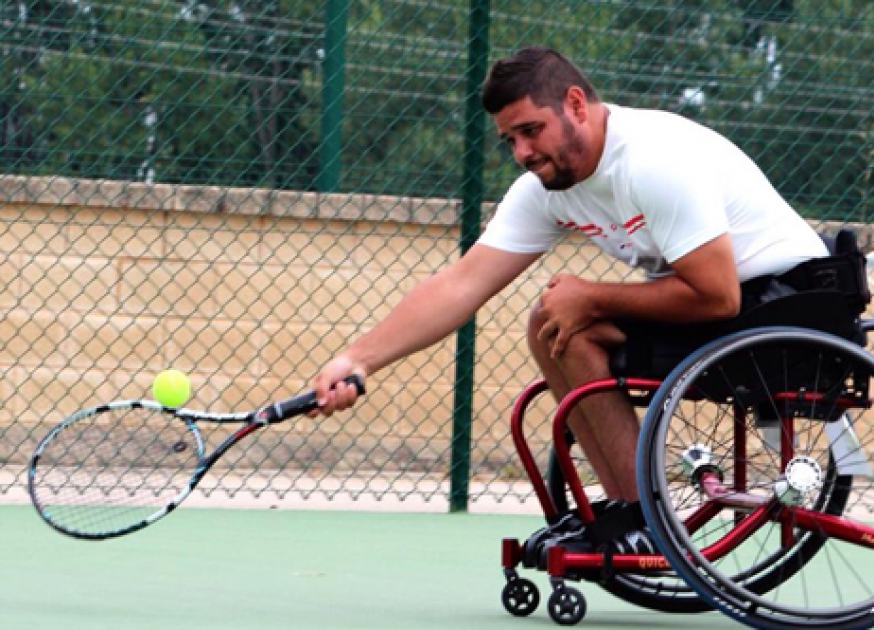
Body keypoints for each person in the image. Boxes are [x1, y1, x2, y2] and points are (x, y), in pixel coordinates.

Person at [309, 45, 830, 557]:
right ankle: (632, 509)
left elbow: (717, 295)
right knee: (553, 323)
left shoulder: (652, 160)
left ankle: (645, 516)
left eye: (531, 130)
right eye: (509, 139)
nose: (522, 153)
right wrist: (357, 359)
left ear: (576, 105)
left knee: (565, 313)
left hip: (786, 302)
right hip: (728, 307)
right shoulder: (548, 188)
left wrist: (594, 296)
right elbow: (460, 285)